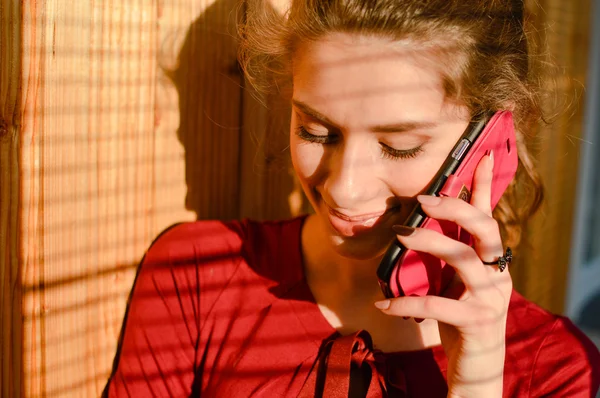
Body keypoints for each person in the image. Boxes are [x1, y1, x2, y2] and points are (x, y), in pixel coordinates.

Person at [103, 0, 600, 396]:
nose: (344, 188)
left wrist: (476, 387)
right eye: (317, 131)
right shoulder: (196, 274)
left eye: (399, 146)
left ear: (492, 137)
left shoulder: (559, 372)